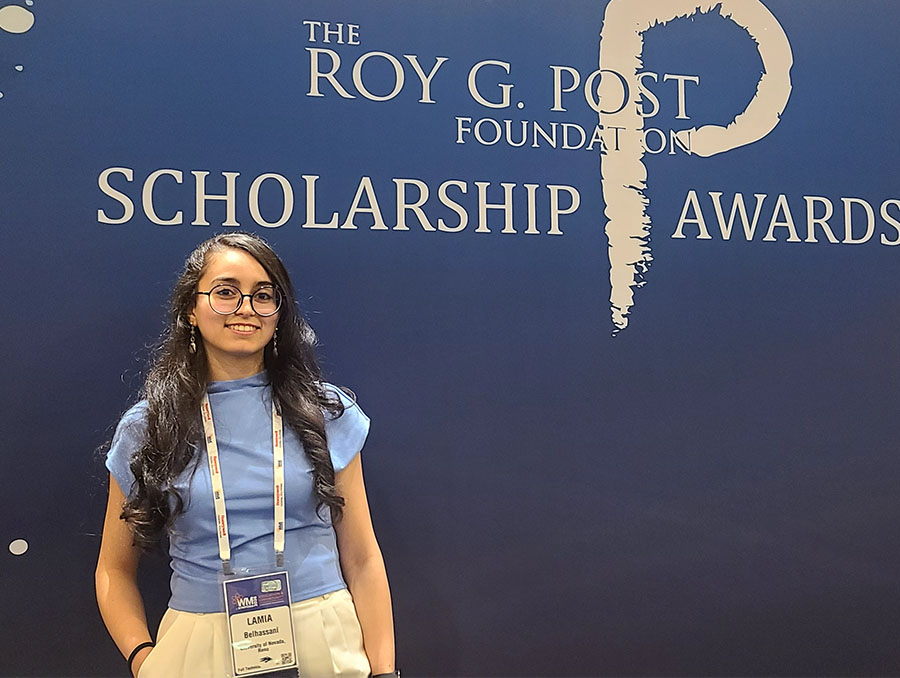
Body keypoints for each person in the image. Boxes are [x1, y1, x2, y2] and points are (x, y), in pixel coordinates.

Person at [95, 232, 396, 678]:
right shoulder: (149, 426)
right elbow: (113, 569)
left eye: (263, 295)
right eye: (225, 292)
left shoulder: (326, 412)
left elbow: (362, 557)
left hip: (323, 637)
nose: (246, 308)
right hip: (198, 644)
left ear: (279, 313)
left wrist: (385, 671)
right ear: (190, 309)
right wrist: (144, 659)